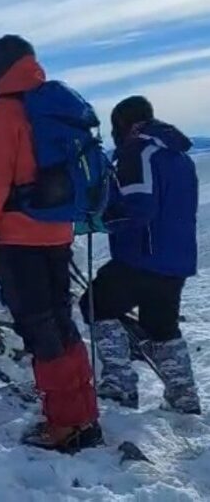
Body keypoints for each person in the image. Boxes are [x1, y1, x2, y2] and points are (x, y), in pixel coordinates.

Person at [0, 35, 101, 452]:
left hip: (20, 238)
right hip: (58, 232)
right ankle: (84, 415)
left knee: (40, 329)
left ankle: (63, 426)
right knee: (61, 322)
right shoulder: (54, 104)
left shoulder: (3, 113)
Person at [79, 96, 201, 414]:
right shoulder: (179, 156)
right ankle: (184, 396)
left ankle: (119, 385)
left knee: (95, 304)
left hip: (142, 255)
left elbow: (139, 205)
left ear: (125, 125)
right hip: (177, 260)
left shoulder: (138, 151)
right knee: (161, 325)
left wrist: (100, 220)